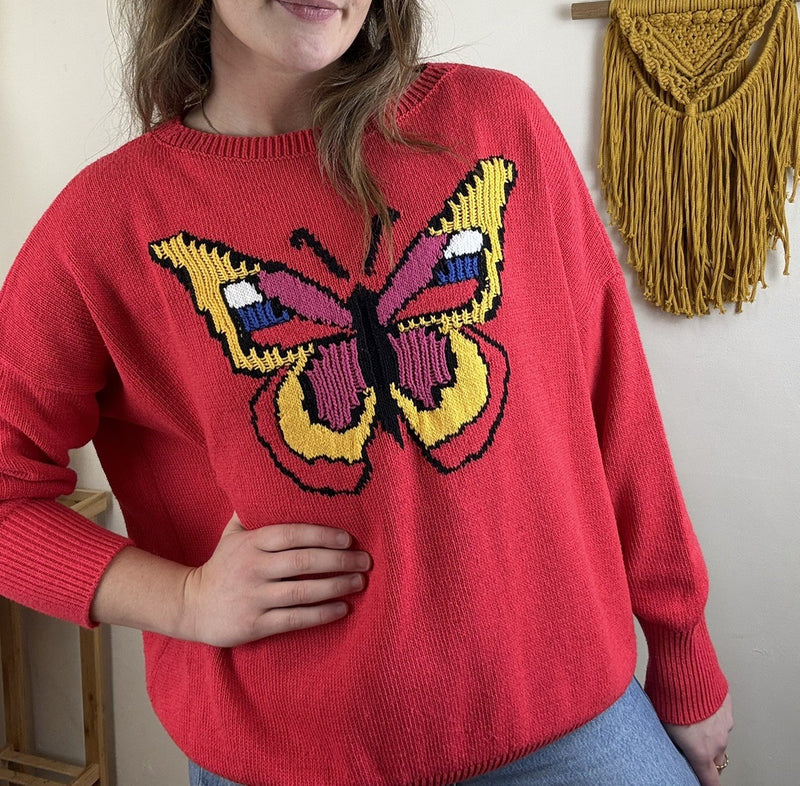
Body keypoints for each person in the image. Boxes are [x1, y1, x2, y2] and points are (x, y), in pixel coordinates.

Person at [0, 1, 734, 785]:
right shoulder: (106, 223)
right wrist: (181, 600)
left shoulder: (494, 125)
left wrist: (684, 650)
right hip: (288, 760)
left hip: (573, 725)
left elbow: (615, 405)